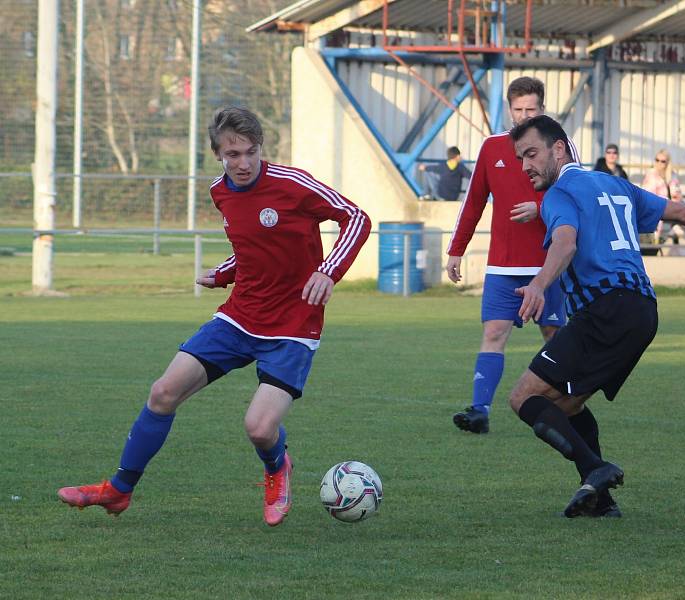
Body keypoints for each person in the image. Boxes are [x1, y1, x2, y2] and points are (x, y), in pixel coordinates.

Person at [57, 106, 371, 527]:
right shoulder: (219, 191)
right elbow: (250, 248)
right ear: (217, 154)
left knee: (259, 429)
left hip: (294, 326)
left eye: (249, 151)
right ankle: (118, 490)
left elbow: (357, 217)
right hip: (240, 317)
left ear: (261, 147)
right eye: (231, 155)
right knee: (163, 392)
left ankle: (278, 466)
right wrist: (223, 273)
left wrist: (328, 270)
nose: (242, 163)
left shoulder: (292, 184)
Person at [508, 115, 685, 518]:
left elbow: (565, 242)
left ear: (558, 149)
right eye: (520, 158)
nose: (525, 166)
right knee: (569, 404)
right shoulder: (616, 184)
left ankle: (596, 469)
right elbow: (680, 211)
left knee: (523, 397)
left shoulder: (560, 195)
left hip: (604, 308)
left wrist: (540, 284)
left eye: (531, 153)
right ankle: (600, 499)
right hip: (643, 311)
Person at [446, 76, 580, 435]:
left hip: (547, 263)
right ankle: (479, 410)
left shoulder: (559, 146)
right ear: (509, 109)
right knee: (494, 332)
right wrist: (456, 249)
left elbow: (576, 192)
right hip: (502, 266)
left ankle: (567, 404)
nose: (523, 116)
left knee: (555, 335)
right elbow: (473, 202)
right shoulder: (492, 148)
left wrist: (539, 208)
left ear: (542, 109)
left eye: (531, 109)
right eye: (518, 109)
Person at [642, 149, 684, 244]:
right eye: (657, 160)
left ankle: (675, 228)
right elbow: (648, 195)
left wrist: (676, 197)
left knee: (683, 206)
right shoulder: (651, 175)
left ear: (667, 163)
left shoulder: (672, 175)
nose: (659, 163)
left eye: (663, 161)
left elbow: (677, 191)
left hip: (670, 206)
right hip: (656, 206)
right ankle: (668, 232)